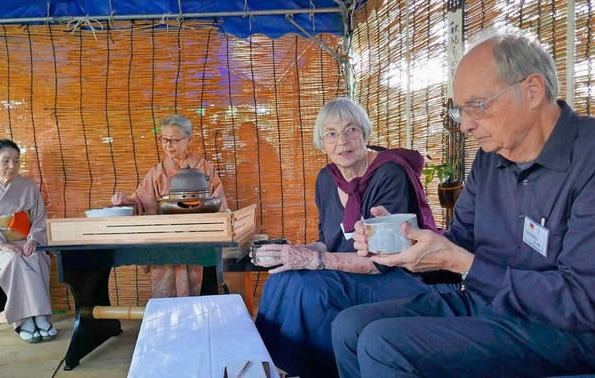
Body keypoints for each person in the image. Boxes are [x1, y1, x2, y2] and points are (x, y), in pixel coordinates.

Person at [332, 25, 595, 377]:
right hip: (487, 304)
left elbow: (582, 300)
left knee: (384, 342)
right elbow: (459, 243)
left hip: (565, 329)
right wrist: (403, 242)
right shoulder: (490, 158)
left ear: (532, 90)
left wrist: (467, 265)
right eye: (461, 111)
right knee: (349, 326)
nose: (466, 125)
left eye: (477, 107)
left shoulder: (588, 159)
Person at [252, 97, 458, 378]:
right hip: (352, 273)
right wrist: (295, 253)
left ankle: (323, 370)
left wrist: (316, 260)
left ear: (364, 132)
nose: (342, 141)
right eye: (331, 134)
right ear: (322, 142)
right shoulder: (327, 178)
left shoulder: (389, 173)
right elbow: (327, 240)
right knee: (283, 278)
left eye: (351, 130)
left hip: (404, 276)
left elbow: (382, 262)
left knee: (312, 291)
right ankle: (268, 365)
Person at [111, 114, 228, 297]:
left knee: (204, 298)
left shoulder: (205, 169)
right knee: (167, 296)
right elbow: (140, 202)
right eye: (164, 139)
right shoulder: (157, 172)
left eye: (174, 140)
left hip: (199, 240)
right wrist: (125, 201)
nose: (168, 145)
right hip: (166, 240)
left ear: (189, 139)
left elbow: (219, 203)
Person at [0, 139, 56, 343]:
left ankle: (40, 316)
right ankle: (24, 320)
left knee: (37, 258)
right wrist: (1, 244)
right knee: (14, 261)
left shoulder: (27, 186)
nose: (12, 166)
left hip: (25, 240)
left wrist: (33, 240)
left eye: (16, 161)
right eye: (5, 161)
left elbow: (39, 218)